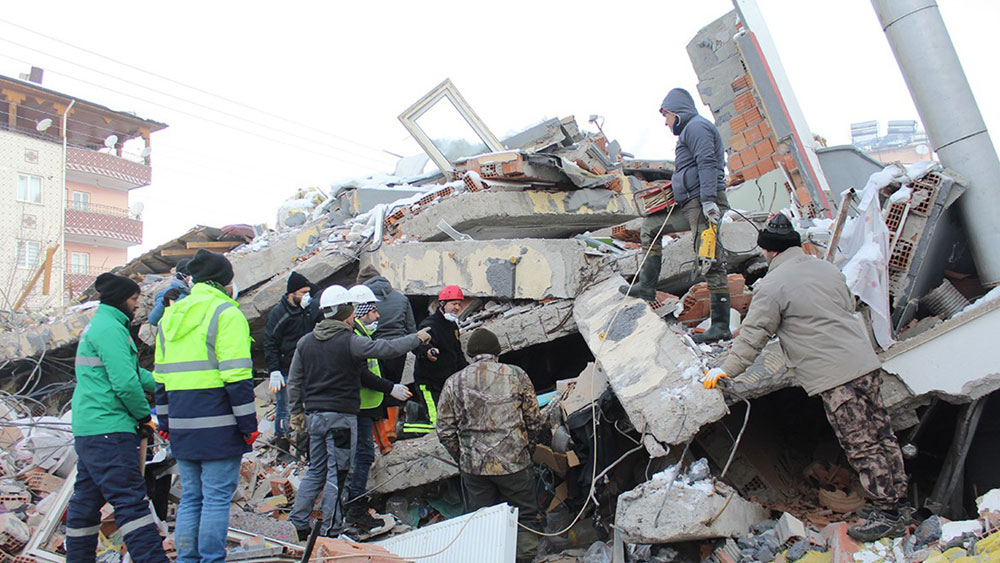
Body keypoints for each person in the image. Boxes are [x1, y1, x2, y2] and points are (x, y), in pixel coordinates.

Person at [703, 213, 909, 542]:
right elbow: (844, 304)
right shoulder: (827, 268)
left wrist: (725, 368)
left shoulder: (773, 285)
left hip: (836, 376)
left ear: (769, 252)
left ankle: (888, 513)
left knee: (862, 444)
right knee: (881, 434)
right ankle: (893, 502)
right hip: (863, 364)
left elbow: (753, 336)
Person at [286, 285, 430, 539]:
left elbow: (295, 381)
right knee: (338, 474)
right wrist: (416, 338)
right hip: (341, 418)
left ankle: (297, 523)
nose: (354, 315)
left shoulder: (305, 342)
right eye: (351, 311)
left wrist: (296, 413)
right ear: (345, 312)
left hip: (314, 418)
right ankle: (331, 530)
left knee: (317, 470)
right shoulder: (350, 341)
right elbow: (387, 348)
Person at [153, 249, 257, 563]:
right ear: (225, 281)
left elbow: (161, 379)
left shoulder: (170, 314)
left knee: (191, 499)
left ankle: (187, 559)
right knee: (215, 500)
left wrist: (166, 424)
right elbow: (237, 378)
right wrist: (248, 426)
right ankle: (212, 559)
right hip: (218, 422)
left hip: (183, 421)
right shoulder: (226, 312)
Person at [67, 273, 168, 563]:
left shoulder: (101, 325)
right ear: (122, 300)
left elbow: (134, 374)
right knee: (130, 502)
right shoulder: (111, 329)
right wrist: (142, 416)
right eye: (135, 299)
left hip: (91, 428)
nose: (137, 305)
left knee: (86, 503)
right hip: (110, 429)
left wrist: (164, 382)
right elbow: (124, 383)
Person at [621, 87, 732, 343]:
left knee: (710, 258)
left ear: (676, 113)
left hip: (703, 203)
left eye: (666, 116)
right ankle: (646, 287)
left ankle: (721, 326)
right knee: (651, 227)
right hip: (691, 203)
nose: (666, 122)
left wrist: (708, 201)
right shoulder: (691, 130)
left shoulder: (697, 128)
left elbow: (707, 162)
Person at [437, 328, 544, 563]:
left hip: (474, 468)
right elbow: (534, 419)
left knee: (482, 522)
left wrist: (463, 458)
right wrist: (527, 449)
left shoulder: (454, 382)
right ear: (497, 352)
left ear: (469, 354)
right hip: (514, 462)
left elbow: (444, 430)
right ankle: (524, 559)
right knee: (525, 516)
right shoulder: (516, 375)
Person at [343, 284, 413, 533]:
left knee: (362, 457)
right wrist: (389, 388)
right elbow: (363, 373)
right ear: (361, 311)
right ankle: (355, 511)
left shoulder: (362, 334)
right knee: (361, 458)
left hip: (367, 405)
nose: (378, 316)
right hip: (360, 406)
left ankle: (353, 508)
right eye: (373, 311)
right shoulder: (358, 338)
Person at [263, 272, 320, 452]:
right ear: (291, 293)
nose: (306, 296)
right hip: (286, 369)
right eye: (303, 292)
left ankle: (305, 446)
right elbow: (270, 341)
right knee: (285, 408)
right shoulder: (279, 313)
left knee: (308, 407)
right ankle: (283, 445)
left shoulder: (308, 311)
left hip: (308, 369)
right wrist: (274, 369)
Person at [403, 285, 468, 436]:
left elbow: (457, 353)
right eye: (453, 304)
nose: (457, 308)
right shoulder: (430, 324)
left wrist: (468, 371)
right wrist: (428, 351)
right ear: (442, 304)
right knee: (437, 424)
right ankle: (406, 428)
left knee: (450, 423)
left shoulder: (452, 326)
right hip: (430, 384)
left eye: (459, 304)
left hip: (447, 384)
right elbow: (418, 344)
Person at [358, 265, 416, 387]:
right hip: (399, 349)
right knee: (394, 388)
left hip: (374, 350)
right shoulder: (401, 298)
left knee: (377, 386)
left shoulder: (361, 300)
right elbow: (411, 328)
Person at [149, 259, 191, 326]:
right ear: (182, 276)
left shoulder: (195, 292)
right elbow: (153, 320)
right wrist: (164, 303)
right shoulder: (169, 294)